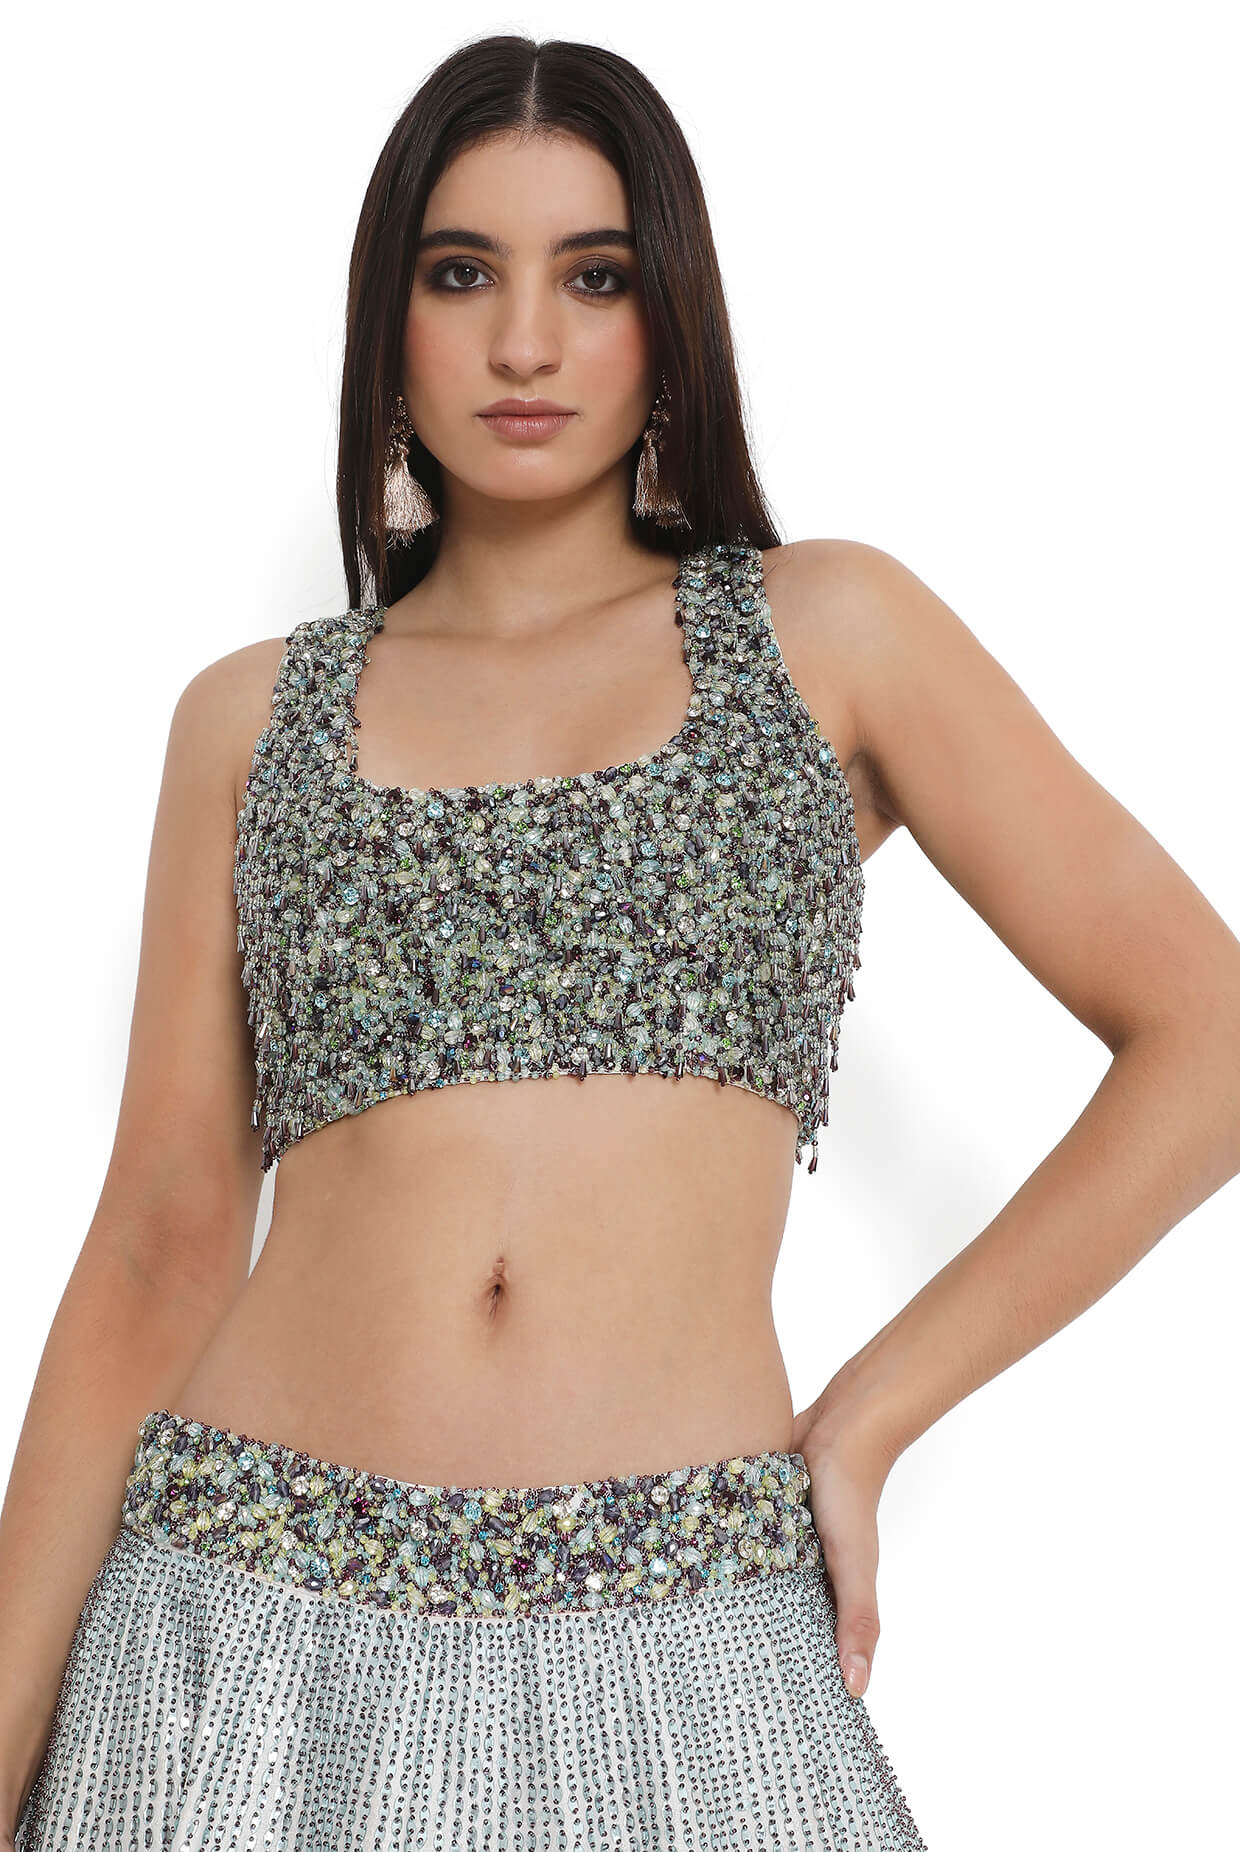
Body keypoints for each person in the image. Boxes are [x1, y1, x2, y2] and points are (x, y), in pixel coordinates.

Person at [4, 33, 1239, 1852]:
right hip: (240, 1622)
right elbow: (157, 1249)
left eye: (592, 277)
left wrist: (869, 1417)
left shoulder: (832, 636)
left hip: (693, 1619)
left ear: (671, 314)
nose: (524, 341)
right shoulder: (249, 719)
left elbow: (1208, 1035)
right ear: (387, 318)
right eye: (461, 274)